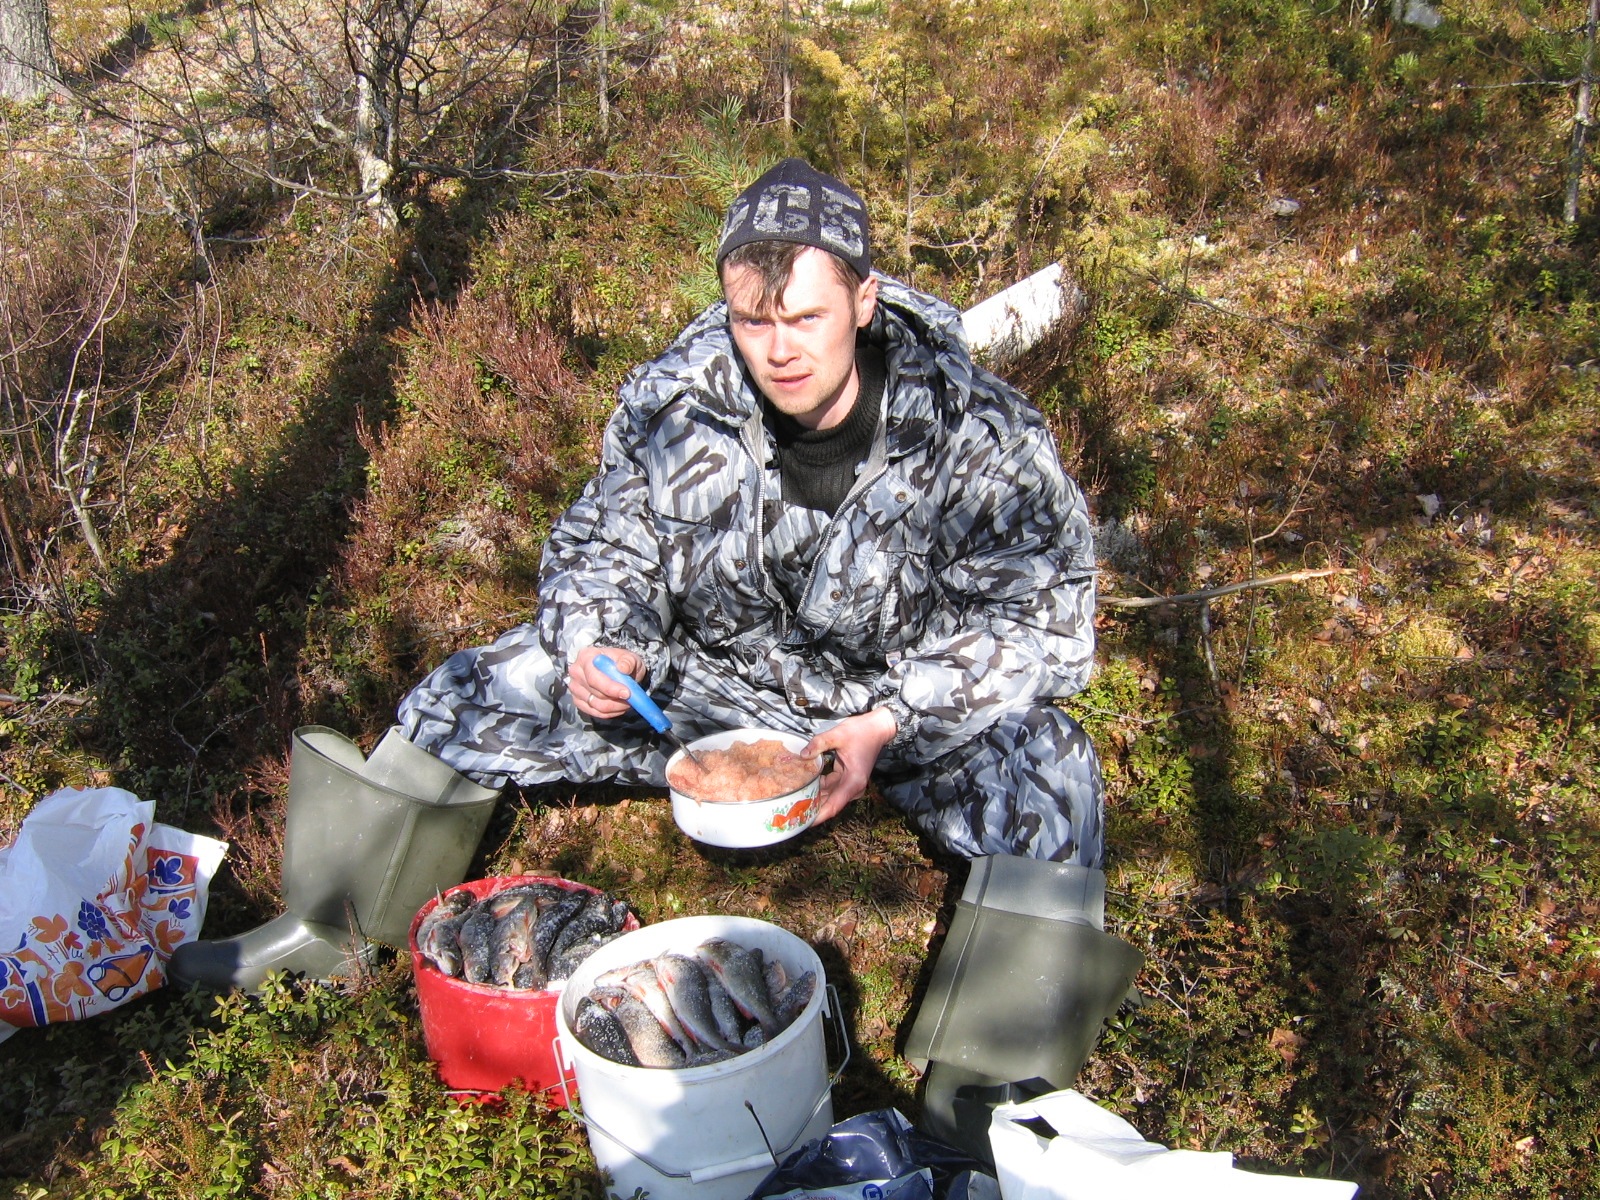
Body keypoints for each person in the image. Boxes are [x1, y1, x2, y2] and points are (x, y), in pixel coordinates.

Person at [173, 160, 1138, 1160]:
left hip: (897, 707)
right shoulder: (677, 399)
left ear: (864, 299)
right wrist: (602, 640)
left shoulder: (982, 435)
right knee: (480, 687)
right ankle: (327, 928)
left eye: (806, 318)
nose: (779, 350)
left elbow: (1044, 621)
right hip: (710, 689)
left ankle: (993, 1099)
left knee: (1051, 770)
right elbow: (607, 542)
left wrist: (891, 720)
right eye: (752, 320)